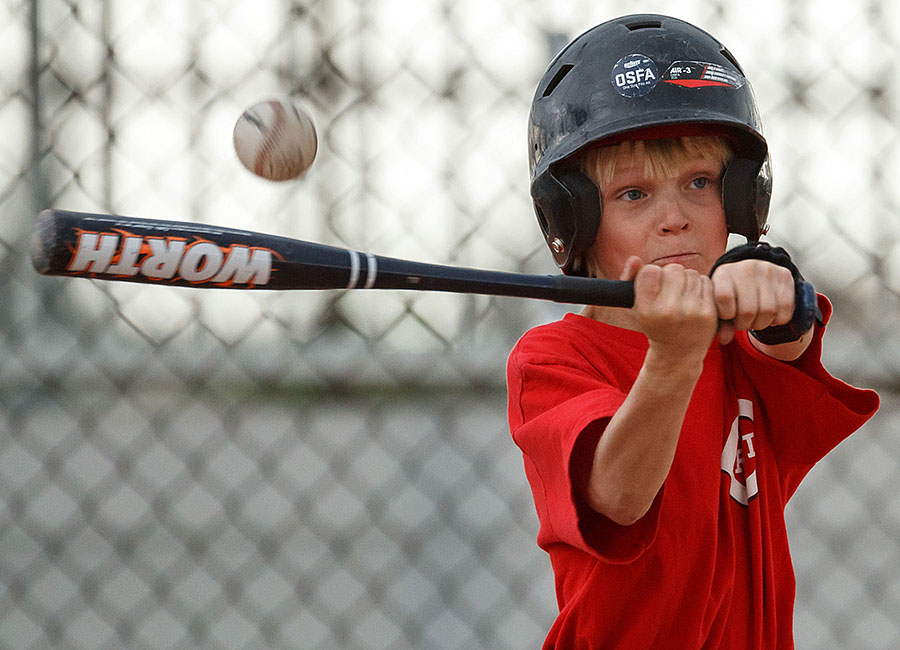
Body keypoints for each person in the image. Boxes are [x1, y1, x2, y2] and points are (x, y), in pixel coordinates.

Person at [507, 14, 880, 649]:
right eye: (632, 195)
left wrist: (779, 296)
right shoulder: (552, 358)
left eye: (700, 184)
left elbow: (786, 345)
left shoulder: (738, 342)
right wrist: (673, 360)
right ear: (574, 217)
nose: (675, 219)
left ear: (740, 202)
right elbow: (619, 498)